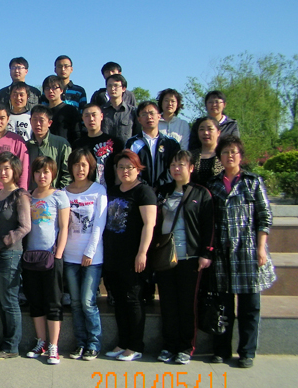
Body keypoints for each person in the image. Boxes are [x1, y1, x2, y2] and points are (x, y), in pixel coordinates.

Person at [207, 136, 276, 368]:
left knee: (249, 307)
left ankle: (247, 352)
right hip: (222, 254)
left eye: (234, 152)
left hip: (248, 252)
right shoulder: (214, 184)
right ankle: (221, 350)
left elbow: (264, 217)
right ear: (220, 157)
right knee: (222, 306)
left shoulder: (252, 182)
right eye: (225, 152)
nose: (230, 156)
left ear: (241, 156)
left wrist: (261, 248)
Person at [155, 150, 214, 364]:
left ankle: (186, 347)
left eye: (181, 164)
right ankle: (168, 345)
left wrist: (206, 253)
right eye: (173, 165)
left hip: (190, 257)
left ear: (191, 168)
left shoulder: (201, 193)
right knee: (168, 303)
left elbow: (209, 226)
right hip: (165, 257)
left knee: (187, 305)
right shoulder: (163, 192)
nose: (176, 168)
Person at [102, 150, 157, 361]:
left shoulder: (144, 192)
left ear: (138, 169)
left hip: (133, 256)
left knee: (132, 299)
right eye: (121, 167)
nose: (125, 171)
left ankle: (135, 345)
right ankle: (122, 342)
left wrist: (142, 253)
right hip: (113, 255)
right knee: (118, 300)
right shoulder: (113, 191)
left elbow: (149, 225)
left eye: (129, 167)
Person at [23, 156, 70, 365]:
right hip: (30, 257)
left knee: (53, 302)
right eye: (38, 172)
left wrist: (58, 253)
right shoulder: (27, 196)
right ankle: (40, 342)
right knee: (35, 301)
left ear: (53, 174)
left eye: (46, 172)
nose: (42, 176)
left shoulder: (59, 196)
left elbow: (64, 227)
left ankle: (53, 345)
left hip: (51, 257)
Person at [0, 152, 31, 359]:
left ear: (15, 171)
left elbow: (25, 227)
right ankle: (6, 341)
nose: (2, 172)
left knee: (9, 300)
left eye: (7, 168)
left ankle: (12, 346)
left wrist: (0, 243)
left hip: (10, 254)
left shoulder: (20, 195)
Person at [63, 148, 107, 361]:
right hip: (69, 255)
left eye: (84, 165)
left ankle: (93, 344)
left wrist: (90, 251)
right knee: (75, 303)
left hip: (92, 257)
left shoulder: (99, 190)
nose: (80, 169)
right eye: (76, 164)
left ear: (90, 167)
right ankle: (80, 343)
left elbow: (99, 224)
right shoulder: (64, 192)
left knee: (88, 302)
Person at [126, 101, 181, 189]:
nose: (149, 117)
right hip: (141, 191)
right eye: (144, 114)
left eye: (152, 113)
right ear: (139, 119)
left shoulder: (171, 143)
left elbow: (175, 167)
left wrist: (160, 186)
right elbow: (129, 167)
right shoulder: (132, 143)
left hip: (167, 191)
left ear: (159, 116)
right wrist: (145, 188)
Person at [75, 103, 123, 188]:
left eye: (94, 115)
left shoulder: (115, 142)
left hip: (109, 190)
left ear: (101, 116)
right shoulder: (77, 144)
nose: (91, 119)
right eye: (87, 116)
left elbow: (119, 169)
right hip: (85, 191)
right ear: (82, 119)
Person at [26, 105, 71, 189]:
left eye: (41, 120)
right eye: (34, 120)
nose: (37, 124)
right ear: (30, 121)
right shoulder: (26, 146)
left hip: (54, 193)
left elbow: (68, 172)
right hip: (31, 194)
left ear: (49, 123)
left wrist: (59, 191)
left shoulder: (61, 144)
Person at [41, 75, 82, 145]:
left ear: (61, 90)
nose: (50, 91)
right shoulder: (42, 112)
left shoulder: (70, 110)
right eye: (47, 88)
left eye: (54, 87)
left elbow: (77, 134)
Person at [100, 74, 140, 145]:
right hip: (104, 150)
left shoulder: (133, 111)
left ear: (123, 88)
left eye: (116, 86)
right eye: (109, 86)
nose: (112, 89)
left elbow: (137, 134)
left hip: (126, 150)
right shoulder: (100, 111)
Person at [190, 117, 224, 186]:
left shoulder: (224, 155)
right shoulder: (191, 156)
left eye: (210, 129)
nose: (205, 133)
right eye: (202, 129)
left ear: (218, 132)